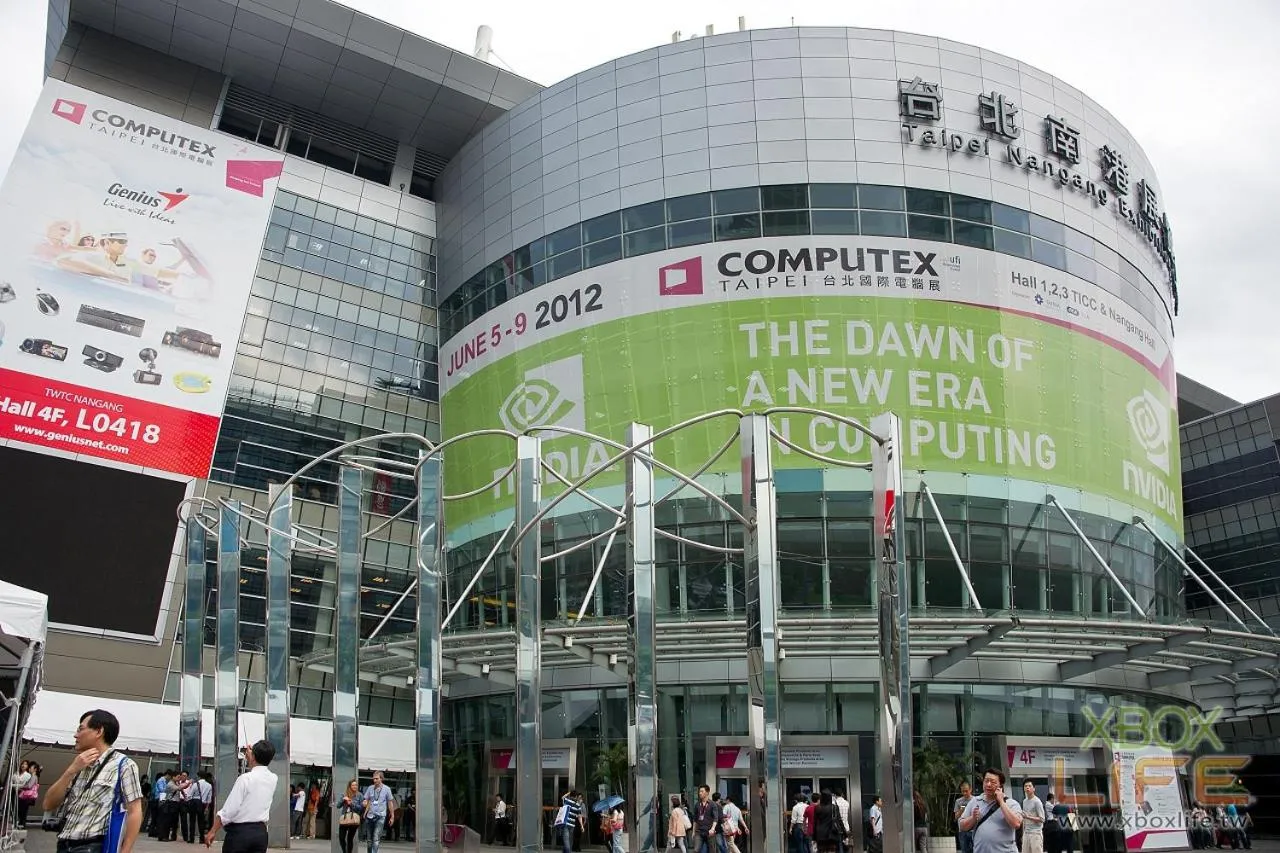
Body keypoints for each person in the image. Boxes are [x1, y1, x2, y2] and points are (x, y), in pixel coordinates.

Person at [42, 709, 143, 853]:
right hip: (64, 844)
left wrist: (125, 850)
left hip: (93, 846)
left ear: (98, 731)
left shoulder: (124, 765)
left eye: (80, 729)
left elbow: (135, 811)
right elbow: (48, 804)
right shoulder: (79, 764)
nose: (75, 735)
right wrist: (71, 771)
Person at [203, 740, 278, 853]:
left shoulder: (245, 779)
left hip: (240, 834)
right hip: (260, 833)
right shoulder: (273, 778)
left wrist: (213, 830)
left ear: (253, 757)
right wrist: (253, 756)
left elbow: (230, 810)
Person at [959, 769, 1023, 853]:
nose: (988, 784)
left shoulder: (1012, 804)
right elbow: (962, 826)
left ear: (1001, 786)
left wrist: (1001, 802)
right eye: (986, 781)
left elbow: (1016, 824)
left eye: (993, 782)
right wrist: (973, 818)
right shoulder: (975, 801)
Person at [362, 771, 396, 853]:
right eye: (373, 779)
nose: (374, 780)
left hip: (380, 816)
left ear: (381, 779)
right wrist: (364, 803)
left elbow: (390, 803)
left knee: (376, 838)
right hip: (370, 816)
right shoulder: (370, 788)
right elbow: (366, 799)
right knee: (369, 840)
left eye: (376, 779)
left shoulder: (387, 789)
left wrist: (392, 816)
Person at [692, 786, 723, 853]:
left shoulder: (712, 804)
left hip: (709, 832)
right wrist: (693, 832)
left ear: (707, 792)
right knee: (696, 850)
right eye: (699, 791)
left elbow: (715, 818)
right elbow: (695, 819)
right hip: (699, 832)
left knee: (712, 851)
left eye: (702, 791)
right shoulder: (697, 804)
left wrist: (712, 828)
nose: (700, 793)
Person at [337, 779, 363, 853]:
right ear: (349, 786)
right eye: (353, 785)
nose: (355, 786)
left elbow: (361, 808)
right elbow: (338, 806)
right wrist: (343, 799)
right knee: (341, 838)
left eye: (356, 785)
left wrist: (351, 803)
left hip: (354, 819)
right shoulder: (344, 794)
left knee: (350, 839)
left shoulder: (360, 795)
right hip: (345, 818)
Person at [1019, 783, 1043, 853]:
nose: (1027, 788)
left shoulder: (1037, 801)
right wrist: (1023, 834)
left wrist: (1028, 817)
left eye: (1029, 786)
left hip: (1036, 833)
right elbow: (1024, 819)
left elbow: (1042, 819)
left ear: (1034, 789)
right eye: (1025, 786)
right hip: (1026, 833)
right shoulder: (1024, 801)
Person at [955, 783, 975, 853]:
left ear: (970, 790)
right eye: (963, 791)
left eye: (966, 791)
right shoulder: (958, 801)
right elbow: (956, 817)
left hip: (973, 830)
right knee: (964, 851)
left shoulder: (975, 800)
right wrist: (961, 810)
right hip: (962, 831)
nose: (964, 793)